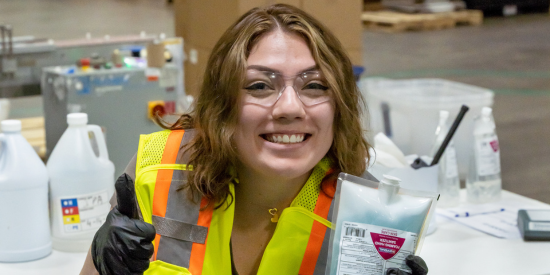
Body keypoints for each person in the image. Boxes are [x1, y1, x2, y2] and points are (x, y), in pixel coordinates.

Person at [81, 4, 428, 275]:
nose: (290, 107)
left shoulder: (368, 211)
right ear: (222, 103)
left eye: (315, 86)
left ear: (339, 107)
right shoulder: (158, 169)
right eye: (260, 86)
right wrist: (102, 267)